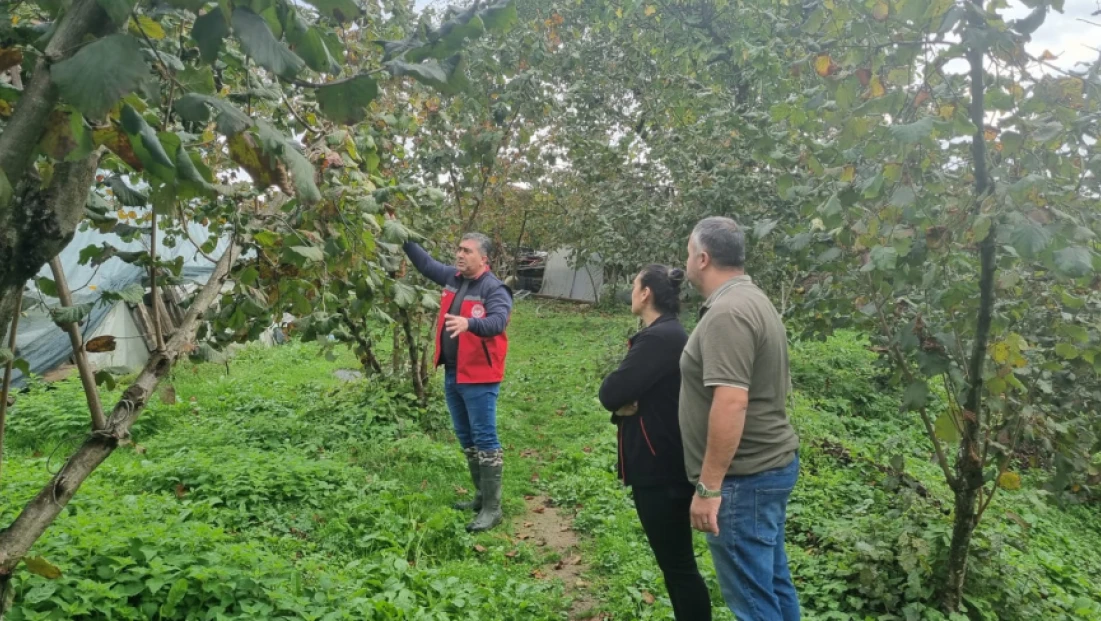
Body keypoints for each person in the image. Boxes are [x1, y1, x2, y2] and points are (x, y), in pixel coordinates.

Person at [679, 216, 801, 621]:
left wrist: (709, 487)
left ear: (703, 258)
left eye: (688, 252)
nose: (686, 261)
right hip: (765, 470)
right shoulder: (751, 298)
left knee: (752, 601)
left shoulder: (728, 313)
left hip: (743, 479)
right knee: (772, 583)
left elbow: (731, 402)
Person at [598, 265, 712, 621]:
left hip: (660, 467)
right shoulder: (666, 333)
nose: (632, 291)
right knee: (675, 565)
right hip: (665, 461)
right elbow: (624, 396)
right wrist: (624, 404)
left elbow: (611, 392)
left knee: (678, 566)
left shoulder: (660, 338)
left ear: (645, 293)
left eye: (635, 284)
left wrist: (621, 403)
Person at [401, 231, 514, 532]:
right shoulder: (453, 278)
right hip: (454, 372)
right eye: (459, 250)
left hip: (480, 376)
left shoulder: (495, 289)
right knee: (467, 438)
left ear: (483, 258)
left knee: (485, 439)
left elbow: (497, 322)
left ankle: (493, 508)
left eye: (467, 251)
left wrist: (469, 323)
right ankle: (481, 496)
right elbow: (426, 264)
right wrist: (401, 235)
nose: (460, 255)